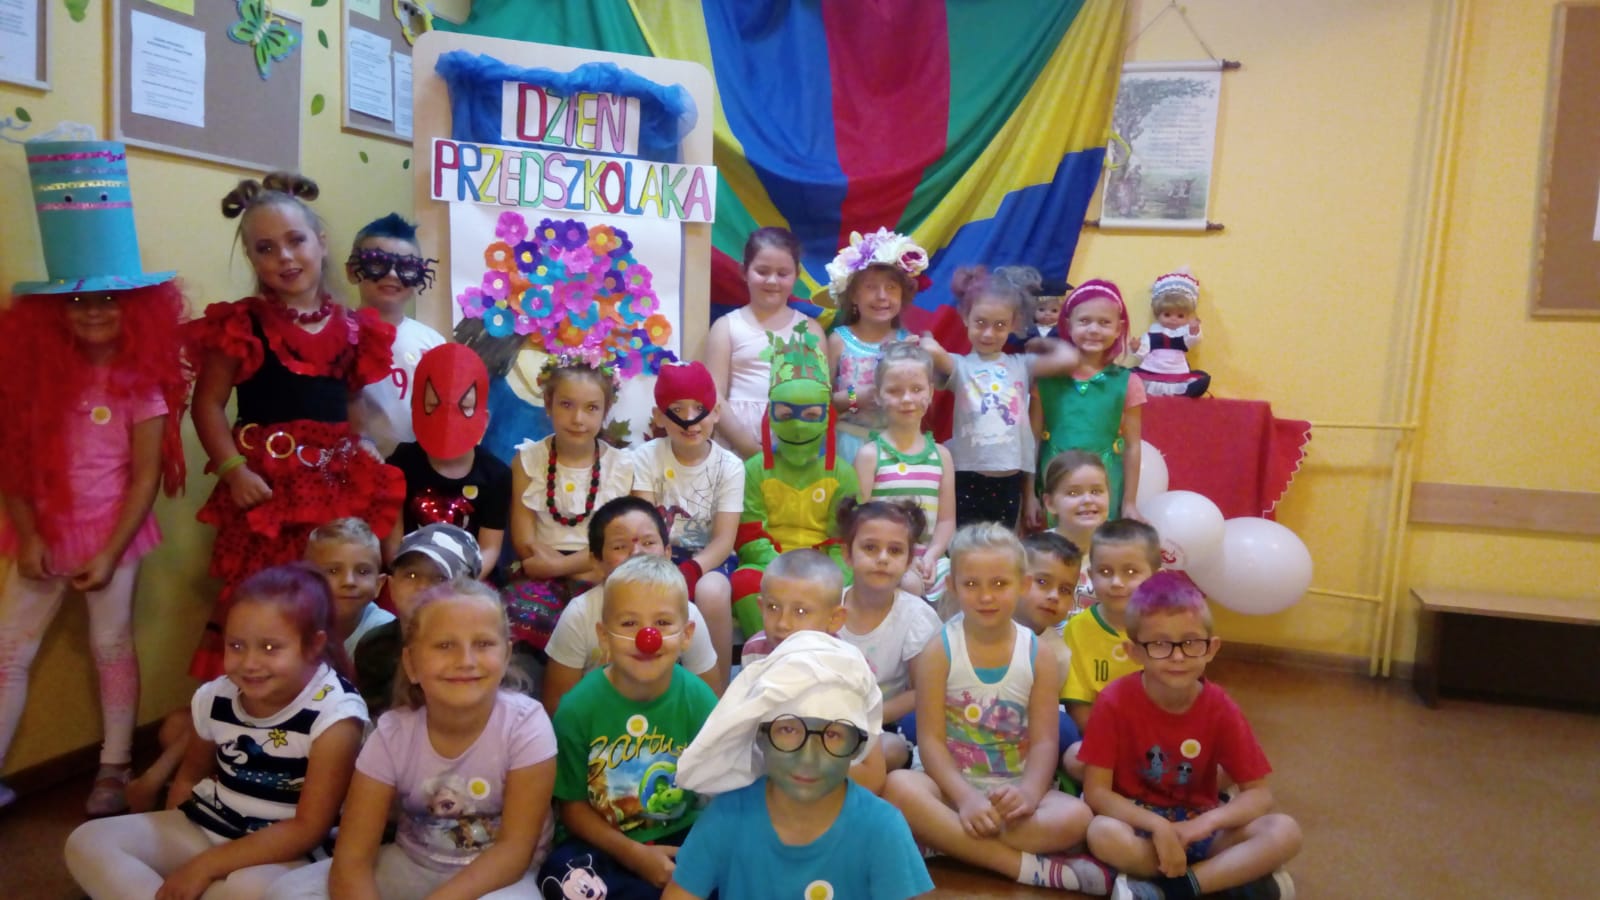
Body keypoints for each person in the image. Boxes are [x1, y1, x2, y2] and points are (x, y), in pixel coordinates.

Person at [0, 138, 191, 816]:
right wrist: (28, 534)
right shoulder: (35, 380)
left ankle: (113, 766)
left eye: (110, 297)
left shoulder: (142, 384)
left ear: (136, 308)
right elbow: (15, 464)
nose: (94, 310)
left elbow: (144, 477)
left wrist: (111, 551)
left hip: (114, 534)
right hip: (42, 532)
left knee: (110, 645)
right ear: (55, 310)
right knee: (9, 650)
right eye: (79, 300)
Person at [187, 171, 404, 680]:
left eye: (295, 241)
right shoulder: (241, 324)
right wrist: (233, 470)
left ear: (321, 243)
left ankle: (333, 697)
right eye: (266, 248)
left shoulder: (354, 327)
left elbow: (351, 398)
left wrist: (363, 441)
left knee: (335, 592)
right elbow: (207, 405)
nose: (284, 257)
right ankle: (252, 703)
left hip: (336, 485)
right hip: (268, 492)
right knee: (271, 598)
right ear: (251, 258)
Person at [64, 565, 366, 899]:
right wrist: (179, 862)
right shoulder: (215, 697)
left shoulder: (335, 715)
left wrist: (203, 867)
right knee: (88, 841)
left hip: (287, 852)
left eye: (269, 648)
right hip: (212, 825)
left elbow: (308, 828)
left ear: (313, 646)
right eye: (236, 645)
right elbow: (188, 778)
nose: (249, 663)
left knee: (246, 889)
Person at [265, 579, 557, 900]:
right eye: (444, 645)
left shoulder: (526, 725)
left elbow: (513, 852)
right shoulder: (392, 734)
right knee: (288, 892)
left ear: (506, 656)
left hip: (499, 880)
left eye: (484, 644)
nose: (466, 660)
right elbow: (353, 857)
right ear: (412, 664)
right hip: (413, 863)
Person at [883, 524, 1110, 894]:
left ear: (1022, 584)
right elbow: (931, 742)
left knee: (1077, 816)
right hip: (948, 787)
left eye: (1000, 584)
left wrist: (1029, 794)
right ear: (952, 586)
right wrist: (966, 798)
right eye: (972, 584)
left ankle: (945, 841)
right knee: (897, 788)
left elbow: (1044, 742)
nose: (986, 596)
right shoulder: (939, 651)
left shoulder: (1039, 655)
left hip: (1013, 790)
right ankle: (1022, 867)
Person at [1080, 572, 1301, 900]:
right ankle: (1227, 879)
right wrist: (1157, 826)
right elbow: (1097, 792)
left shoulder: (1220, 706)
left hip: (1201, 823)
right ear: (1134, 651)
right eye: (1159, 644)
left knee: (1284, 831)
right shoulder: (1114, 701)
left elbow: (1258, 794)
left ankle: (1176, 888)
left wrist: (1204, 825)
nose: (1178, 656)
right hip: (1138, 824)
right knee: (1102, 833)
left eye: (1190, 642)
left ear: (1211, 648)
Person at [663, 632, 933, 900]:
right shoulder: (727, 817)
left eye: (832, 735)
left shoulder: (882, 829)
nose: (808, 757)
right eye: (789, 730)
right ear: (761, 736)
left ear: (858, 745)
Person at [537, 555, 718, 899]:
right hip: (602, 844)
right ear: (604, 637)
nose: (647, 637)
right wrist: (634, 855)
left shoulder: (699, 700)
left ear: (686, 636)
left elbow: (720, 791)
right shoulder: (577, 708)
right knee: (563, 877)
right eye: (630, 623)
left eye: (662, 622)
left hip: (682, 837)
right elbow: (572, 809)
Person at [727, 321, 859, 639]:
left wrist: (821, 575)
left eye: (811, 415)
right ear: (771, 415)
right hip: (770, 567)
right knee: (744, 580)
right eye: (787, 415)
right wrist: (784, 570)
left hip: (823, 568)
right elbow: (749, 535)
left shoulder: (843, 473)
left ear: (826, 416)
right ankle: (767, 651)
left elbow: (844, 540)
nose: (799, 426)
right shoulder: (754, 470)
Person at [922, 267, 1080, 529]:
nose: (988, 334)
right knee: (964, 543)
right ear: (965, 317)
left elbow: (1069, 358)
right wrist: (927, 341)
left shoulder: (1021, 365)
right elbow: (933, 352)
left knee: (1001, 544)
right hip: (967, 476)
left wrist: (1043, 344)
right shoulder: (960, 366)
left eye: (999, 325)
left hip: (1009, 479)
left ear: (1014, 324)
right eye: (980, 323)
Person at [542, 497, 723, 715]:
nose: (637, 553)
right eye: (619, 546)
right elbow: (558, 708)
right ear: (596, 562)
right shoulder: (580, 614)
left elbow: (712, 708)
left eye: (648, 543)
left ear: (667, 553)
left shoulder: (687, 613)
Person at [506, 353, 633, 653]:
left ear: (606, 410)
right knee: (517, 616)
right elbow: (525, 544)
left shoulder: (623, 466)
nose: (578, 419)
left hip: (601, 569)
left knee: (613, 618)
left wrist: (559, 566)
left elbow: (622, 543)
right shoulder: (527, 460)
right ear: (548, 403)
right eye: (566, 405)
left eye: (591, 408)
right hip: (543, 571)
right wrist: (568, 568)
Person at [628, 361, 741, 688]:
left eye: (699, 409)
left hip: (710, 559)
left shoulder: (730, 466)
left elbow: (724, 540)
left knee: (713, 591)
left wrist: (692, 569)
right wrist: (664, 566)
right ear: (659, 416)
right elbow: (644, 526)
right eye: (677, 410)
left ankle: (716, 691)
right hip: (656, 554)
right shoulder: (645, 457)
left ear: (715, 413)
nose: (689, 420)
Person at [739, 550, 889, 794]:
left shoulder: (849, 667)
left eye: (800, 612)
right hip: (774, 758)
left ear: (835, 619)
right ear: (760, 606)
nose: (783, 623)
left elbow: (873, 775)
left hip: (832, 765)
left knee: (891, 750)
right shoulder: (755, 653)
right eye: (773, 607)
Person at [384, 344, 510, 577]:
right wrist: (411, 580)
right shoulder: (401, 464)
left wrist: (461, 584)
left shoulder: (495, 475)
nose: (448, 422)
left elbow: (490, 548)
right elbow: (393, 546)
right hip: (411, 576)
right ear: (416, 409)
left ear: (483, 420)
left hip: (470, 581)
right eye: (433, 406)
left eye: (465, 408)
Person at [836, 499, 941, 770]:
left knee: (890, 750)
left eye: (895, 550)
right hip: (826, 719)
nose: (882, 558)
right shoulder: (828, 607)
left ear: (908, 560)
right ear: (847, 554)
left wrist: (864, 719)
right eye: (870, 547)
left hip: (885, 724)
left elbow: (921, 692)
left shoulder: (916, 618)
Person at [704, 227, 818, 459]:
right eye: (762, 271)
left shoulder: (810, 330)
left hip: (792, 447)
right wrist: (747, 446)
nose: (772, 280)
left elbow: (817, 397)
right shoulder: (726, 327)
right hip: (734, 445)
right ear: (744, 272)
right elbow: (714, 395)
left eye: (783, 273)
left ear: (796, 275)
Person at [1062, 519, 1161, 783]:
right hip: (1102, 738)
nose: (1117, 582)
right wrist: (1116, 745)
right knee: (1073, 757)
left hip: (1159, 739)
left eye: (1131, 572)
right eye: (1105, 571)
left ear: (1156, 576)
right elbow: (1077, 705)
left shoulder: (1166, 628)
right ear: (1090, 574)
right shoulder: (1077, 629)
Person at [1037, 279, 1146, 520]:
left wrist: (1129, 503)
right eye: (1084, 321)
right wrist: (1028, 496)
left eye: (1104, 322)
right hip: (1053, 481)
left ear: (1119, 328)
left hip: (1105, 485)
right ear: (1068, 325)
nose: (1094, 330)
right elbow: (1032, 440)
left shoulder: (1128, 382)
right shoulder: (1045, 378)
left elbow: (1133, 446)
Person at [854, 342, 954, 601]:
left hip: (929, 561)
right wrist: (899, 559)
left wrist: (931, 556)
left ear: (930, 392)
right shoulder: (870, 456)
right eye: (895, 391)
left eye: (916, 389)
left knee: (964, 581)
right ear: (878, 395)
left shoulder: (942, 456)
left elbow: (946, 521)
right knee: (908, 585)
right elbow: (860, 522)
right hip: (885, 558)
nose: (907, 399)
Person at [353, 523, 483, 718]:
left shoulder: (484, 654)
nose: (422, 587)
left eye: (440, 578)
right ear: (392, 586)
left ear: (471, 592)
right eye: (411, 575)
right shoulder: (374, 647)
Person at [346, 213, 446, 457]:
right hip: (355, 463)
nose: (392, 274)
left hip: (420, 466)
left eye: (406, 268)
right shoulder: (337, 335)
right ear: (352, 271)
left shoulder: (433, 343)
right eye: (377, 263)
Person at [823, 228, 925, 464]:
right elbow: (820, 401)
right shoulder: (838, 341)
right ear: (853, 296)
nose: (882, 296)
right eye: (870, 287)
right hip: (849, 444)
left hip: (896, 447)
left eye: (891, 287)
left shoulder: (907, 342)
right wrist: (854, 397)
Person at [1018, 531, 1085, 767]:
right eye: (1042, 582)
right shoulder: (982, 625)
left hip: (1018, 730)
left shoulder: (1058, 654)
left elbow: (1041, 713)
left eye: (1065, 590)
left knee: (1064, 727)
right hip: (969, 715)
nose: (1054, 596)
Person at [304, 517, 392, 657]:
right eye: (333, 571)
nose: (349, 581)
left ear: (378, 585)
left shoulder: (385, 633)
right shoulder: (292, 624)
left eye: (362, 572)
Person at [1040, 450, 1112, 616]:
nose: (1087, 500)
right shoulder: (1034, 553)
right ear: (1050, 503)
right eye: (1073, 493)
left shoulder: (1125, 550)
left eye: (1096, 491)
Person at [1132, 269, 1210, 399]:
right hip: (1152, 368)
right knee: (1129, 376)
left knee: (1202, 377)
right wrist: (1137, 347)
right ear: (1158, 314)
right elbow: (1144, 351)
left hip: (1177, 370)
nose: (1173, 319)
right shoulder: (1152, 334)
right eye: (1167, 314)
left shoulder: (1183, 334)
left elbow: (1193, 340)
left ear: (1188, 317)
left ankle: (1183, 392)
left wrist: (1193, 329)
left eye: (1180, 316)